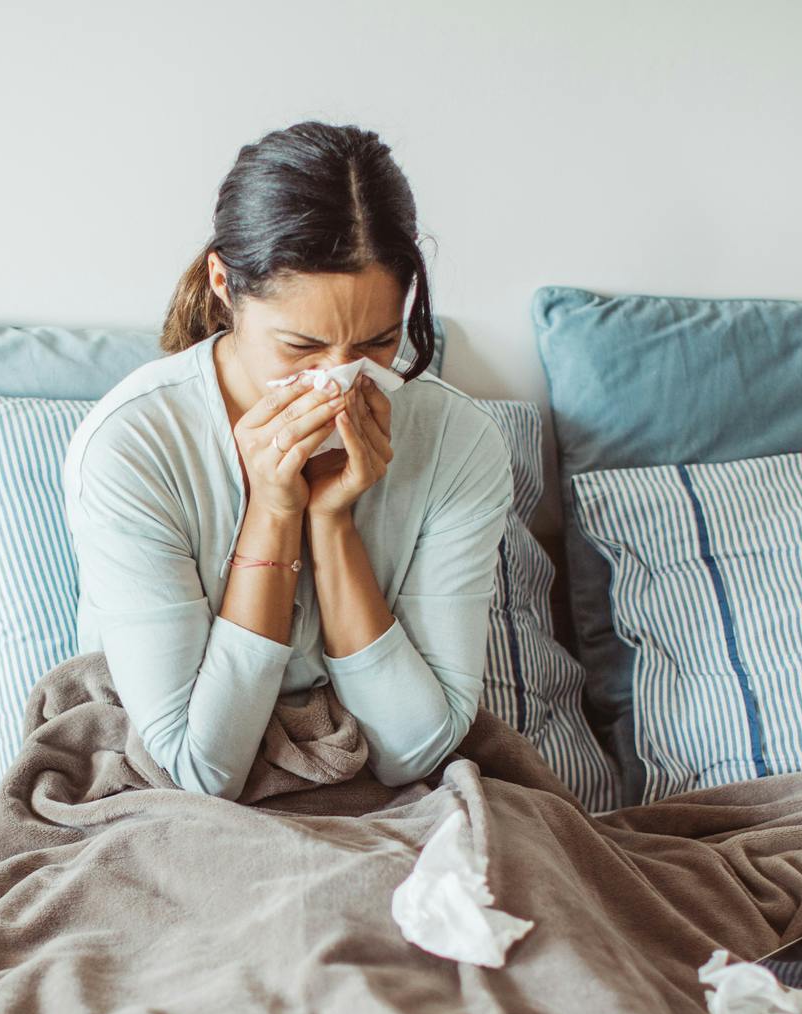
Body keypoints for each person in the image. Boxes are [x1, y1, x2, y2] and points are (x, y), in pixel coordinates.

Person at [62, 120, 512, 800]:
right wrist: (274, 511)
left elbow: (416, 750)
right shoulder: (135, 447)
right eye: (302, 346)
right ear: (222, 282)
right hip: (174, 807)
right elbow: (198, 770)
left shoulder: (458, 442)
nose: (341, 378)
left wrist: (333, 525)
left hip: (385, 800)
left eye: (379, 342)